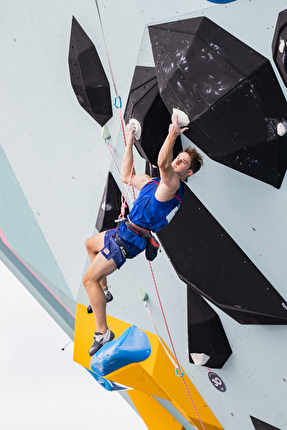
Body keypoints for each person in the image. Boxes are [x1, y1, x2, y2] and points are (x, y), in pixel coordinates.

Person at [83, 114, 203, 356]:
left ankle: (102, 332)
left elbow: (163, 163)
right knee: (90, 245)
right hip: (123, 230)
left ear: (187, 173)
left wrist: (172, 133)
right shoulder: (151, 183)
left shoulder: (173, 187)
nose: (177, 162)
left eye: (182, 163)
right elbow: (127, 175)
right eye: (178, 158)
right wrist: (129, 142)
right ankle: (103, 293)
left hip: (129, 239)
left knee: (88, 280)